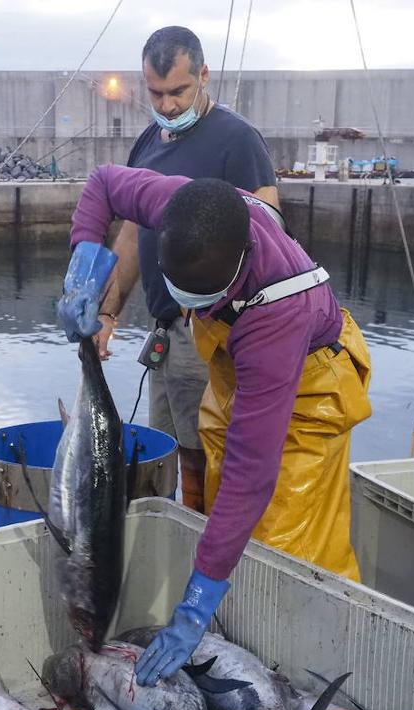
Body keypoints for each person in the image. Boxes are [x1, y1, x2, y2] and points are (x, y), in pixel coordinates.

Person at [59, 165, 372, 686]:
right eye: (177, 288)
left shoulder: (278, 316)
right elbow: (103, 183)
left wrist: (195, 606)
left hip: (309, 388)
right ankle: (238, 633)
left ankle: (323, 670)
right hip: (232, 372)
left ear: (240, 264)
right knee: (221, 514)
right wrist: (85, 269)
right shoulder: (184, 204)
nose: (187, 304)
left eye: (198, 295)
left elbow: (255, 473)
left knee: (285, 546)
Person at [90, 26, 279, 514]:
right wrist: (108, 314)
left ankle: (207, 550)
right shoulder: (147, 143)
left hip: (213, 331)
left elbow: (272, 234)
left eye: (179, 91)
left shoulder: (237, 140)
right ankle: (169, 543)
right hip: (165, 332)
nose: (168, 104)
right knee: (161, 451)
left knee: (205, 454)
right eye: (156, 93)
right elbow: (131, 234)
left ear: (203, 76)